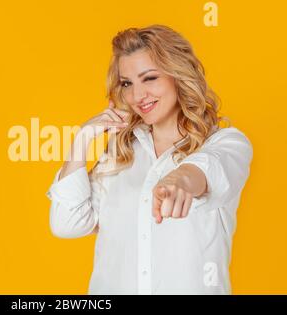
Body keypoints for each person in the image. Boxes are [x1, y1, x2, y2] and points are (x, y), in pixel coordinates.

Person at [45, 25, 253, 294]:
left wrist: (181, 179)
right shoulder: (121, 154)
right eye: (127, 83)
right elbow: (66, 224)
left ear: (178, 75)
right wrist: (81, 140)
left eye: (150, 78)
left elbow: (210, 169)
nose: (137, 96)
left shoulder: (226, 143)